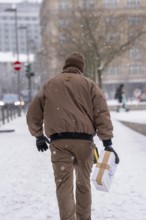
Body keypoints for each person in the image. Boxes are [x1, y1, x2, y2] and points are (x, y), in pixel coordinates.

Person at [26, 52, 119, 220]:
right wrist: (107, 142)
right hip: (84, 143)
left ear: (65, 66)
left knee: (63, 186)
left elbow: (33, 113)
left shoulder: (50, 84)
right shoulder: (89, 85)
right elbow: (101, 114)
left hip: (59, 143)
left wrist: (38, 135)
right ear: (81, 68)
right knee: (83, 185)